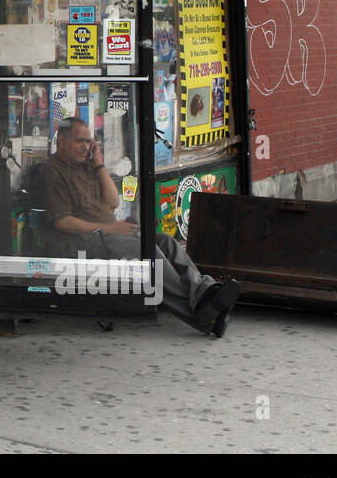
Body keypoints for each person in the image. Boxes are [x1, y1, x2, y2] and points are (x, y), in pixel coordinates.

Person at [43, 117, 240, 337]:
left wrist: (98, 163)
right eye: (80, 141)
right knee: (148, 255)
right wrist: (111, 229)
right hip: (84, 241)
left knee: (166, 242)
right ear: (61, 141)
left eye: (89, 142)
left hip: (110, 234)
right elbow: (63, 222)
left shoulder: (87, 165)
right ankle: (205, 312)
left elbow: (113, 201)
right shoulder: (53, 171)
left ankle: (205, 292)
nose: (85, 147)